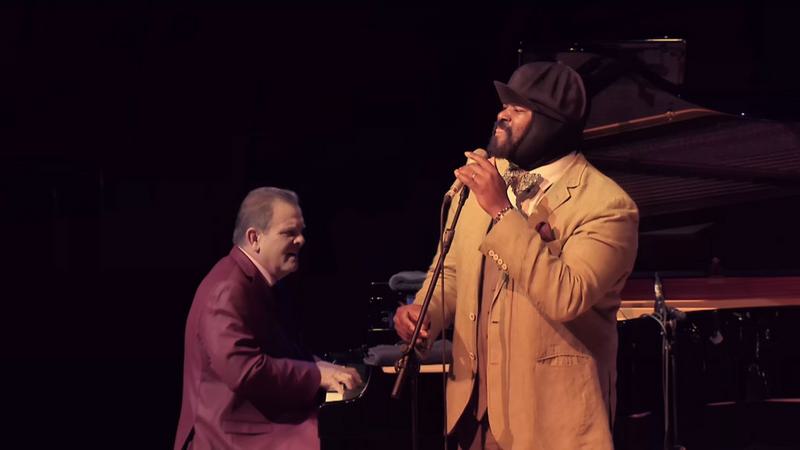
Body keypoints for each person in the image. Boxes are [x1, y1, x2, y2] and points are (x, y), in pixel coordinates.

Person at [394, 62, 639, 449]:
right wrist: (425, 312)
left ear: (552, 124)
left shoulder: (607, 206)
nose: (502, 115)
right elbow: (453, 270)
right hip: (472, 416)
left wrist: (501, 211)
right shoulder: (487, 181)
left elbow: (567, 296)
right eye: (504, 105)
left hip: (549, 424)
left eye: (518, 108)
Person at [175, 187, 362, 450]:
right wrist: (316, 374)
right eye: (289, 233)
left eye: (301, 231)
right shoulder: (227, 289)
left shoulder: (262, 282)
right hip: (228, 433)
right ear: (255, 238)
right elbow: (246, 371)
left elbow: (282, 350)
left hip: (254, 420)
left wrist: (320, 366)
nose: (301, 240)